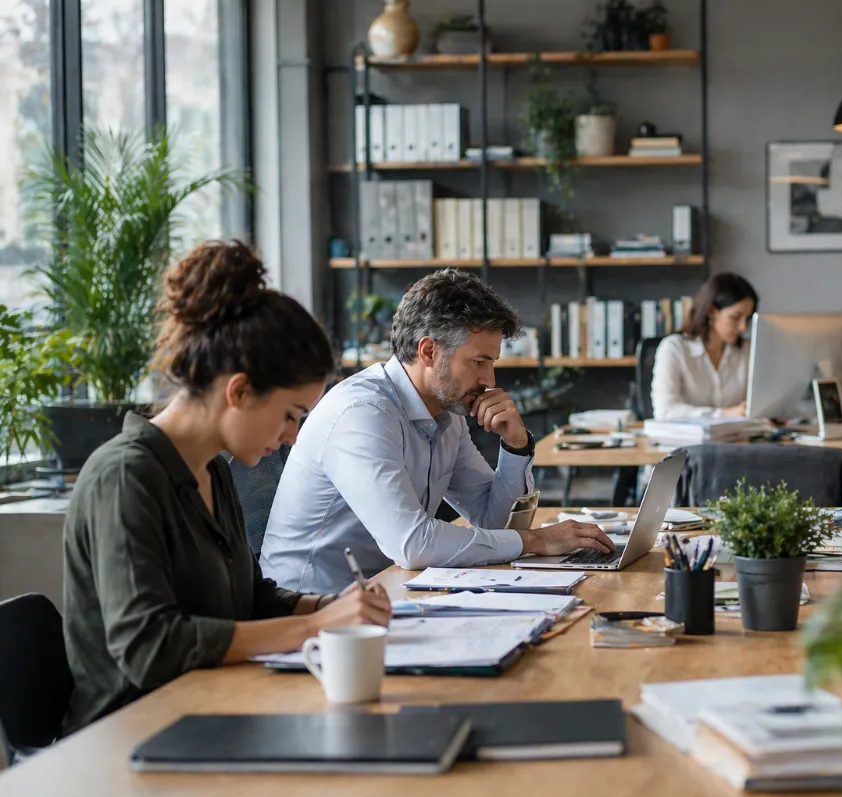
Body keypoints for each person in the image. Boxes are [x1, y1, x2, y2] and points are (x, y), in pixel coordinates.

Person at [61, 241, 392, 734]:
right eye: (289, 415)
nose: (291, 438)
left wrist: (333, 607)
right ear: (238, 391)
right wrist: (312, 627)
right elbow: (150, 648)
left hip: (214, 708)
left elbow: (248, 600)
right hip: (134, 736)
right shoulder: (126, 477)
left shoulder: (213, 471)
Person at [259, 269, 614, 594]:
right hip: (315, 615)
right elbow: (412, 544)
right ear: (429, 351)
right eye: (478, 362)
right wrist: (535, 540)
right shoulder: (363, 413)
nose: (490, 381)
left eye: (492, 363)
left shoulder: (447, 414)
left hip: (390, 594)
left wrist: (516, 445)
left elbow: (495, 523)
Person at [650, 272, 758, 419]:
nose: (743, 327)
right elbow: (665, 411)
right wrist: (724, 414)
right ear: (712, 311)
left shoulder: (747, 351)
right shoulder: (675, 349)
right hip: (686, 440)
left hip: (737, 439)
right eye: (735, 317)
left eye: (748, 318)